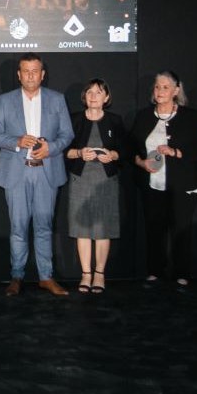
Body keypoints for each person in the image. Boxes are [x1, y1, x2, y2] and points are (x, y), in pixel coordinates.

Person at [0, 53, 74, 297]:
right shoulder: (5, 101)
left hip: (46, 171)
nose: (30, 76)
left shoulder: (57, 99)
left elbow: (67, 134)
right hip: (17, 173)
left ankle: (46, 277)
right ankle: (17, 276)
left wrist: (51, 148)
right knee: (18, 228)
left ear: (42, 74)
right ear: (18, 75)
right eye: (25, 71)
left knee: (44, 226)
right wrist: (16, 141)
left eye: (34, 71)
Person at [131, 71, 197, 288]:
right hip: (152, 185)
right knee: (154, 229)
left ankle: (182, 273)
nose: (160, 91)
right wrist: (141, 162)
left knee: (181, 229)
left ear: (176, 91)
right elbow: (131, 148)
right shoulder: (143, 116)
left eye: (165, 87)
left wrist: (175, 152)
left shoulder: (190, 117)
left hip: (183, 184)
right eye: (157, 87)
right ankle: (155, 271)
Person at [64, 78, 126, 295]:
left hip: (106, 180)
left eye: (98, 92)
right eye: (89, 92)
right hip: (80, 179)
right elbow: (63, 151)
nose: (93, 96)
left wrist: (113, 155)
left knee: (103, 228)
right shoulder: (74, 120)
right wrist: (79, 153)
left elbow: (124, 150)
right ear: (84, 96)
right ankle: (85, 274)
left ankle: (99, 274)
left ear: (106, 97)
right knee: (81, 228)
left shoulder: (115, 120)